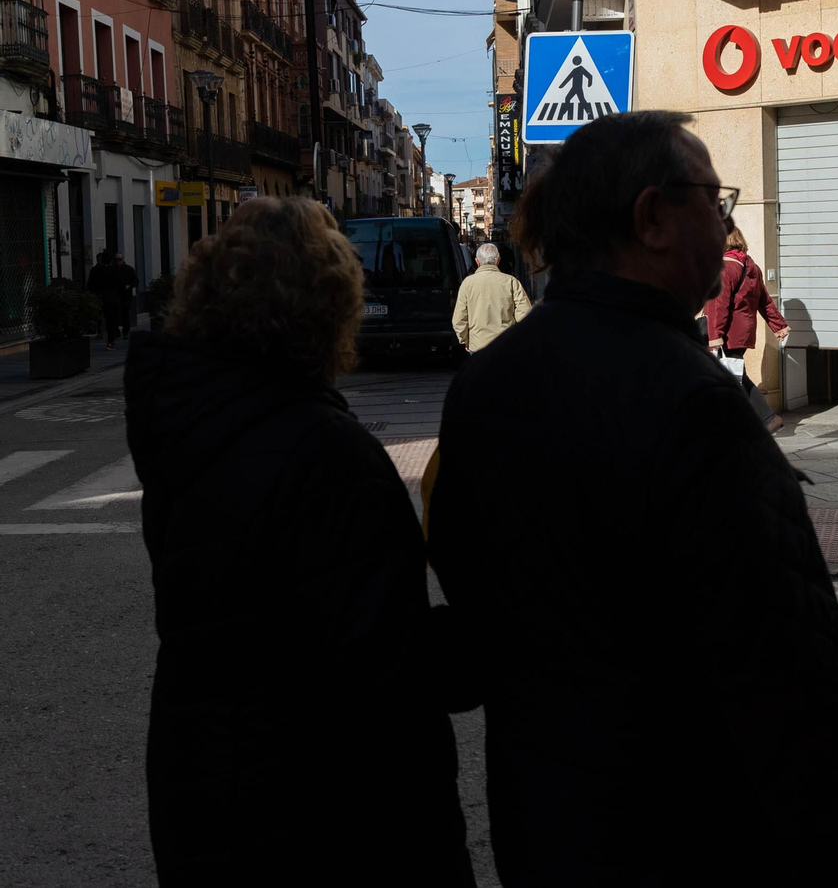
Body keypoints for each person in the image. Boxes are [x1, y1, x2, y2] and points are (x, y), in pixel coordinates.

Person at [426, 111, 838, 887]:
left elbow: (470, 585)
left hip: (548, 819)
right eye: (712, 202)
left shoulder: (484, 387)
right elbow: (792, 680)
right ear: (653, 218)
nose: (723, 224)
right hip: (688, 830)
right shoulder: (694, 402)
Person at [124, 197, 476, 886]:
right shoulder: (323, 454)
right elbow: (383, 674)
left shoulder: (197, 430)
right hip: (317, 815)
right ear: (328, 306)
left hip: (206, 782)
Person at [704, 224, 789, 432]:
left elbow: (718, 305)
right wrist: (779, 325)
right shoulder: (751, 266)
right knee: (734, 375)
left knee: (733, 376)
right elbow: (765, 301)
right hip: (742, 331)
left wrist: (715, 337)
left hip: (728, 332)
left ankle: (767, 417)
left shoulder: (724, 268)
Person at [452, 241, 531, 353]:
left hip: (478, 345)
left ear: (477, 262)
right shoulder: (511, 282)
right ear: (498, 260)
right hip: (505, 344)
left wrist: (465, 340)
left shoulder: (467, 284)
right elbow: (525, 315)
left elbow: (459, 319)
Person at [87, 251, 121, 350]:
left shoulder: (96, 270)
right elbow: (120, 284)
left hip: (101, 297)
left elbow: (90, 285)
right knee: (112, 319)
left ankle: (104, 334)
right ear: (111, 261)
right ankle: (111, 341)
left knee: (104, 317)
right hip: (113, 298)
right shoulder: (114, 270)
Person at [115, 252, 138, 337]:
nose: (118, 261)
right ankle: (117, 331)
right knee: (116, 313)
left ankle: (125, 331)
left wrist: (129, 286)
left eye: (119, 259)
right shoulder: (113, 269)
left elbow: (135, 280)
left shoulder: (129, 269)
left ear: (123, 259)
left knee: (125, 314)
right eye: (116, 259)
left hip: (126, 295)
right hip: (116, 295)